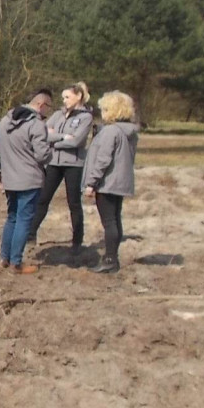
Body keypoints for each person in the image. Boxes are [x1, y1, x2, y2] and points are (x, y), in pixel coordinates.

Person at [0, 89, 54, 274]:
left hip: (10, 179)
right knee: (24, 219)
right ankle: (16, 263)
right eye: (49, 108)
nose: (48, 112)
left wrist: (0, 175)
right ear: (41, 105)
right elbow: (43, 155)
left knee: (12, 217)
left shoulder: (4, 122)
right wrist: (52, 148)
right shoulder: (35, 124)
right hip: (29, 179)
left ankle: (5, 258)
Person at [28, 82, 93, 253]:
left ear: (79, 96)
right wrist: (63, 136)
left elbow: (77, 141)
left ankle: (77, 240)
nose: (64, 101)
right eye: (63, 97)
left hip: (73, 164)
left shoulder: (86, 117)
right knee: (43, 198)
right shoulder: (58, 114)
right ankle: (30, 233)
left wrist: (54, 140)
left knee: (74, 202)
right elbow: (43, 133)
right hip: (53, 162)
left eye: (67, 97)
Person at [83, 91, 139, 274]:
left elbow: (103, 159)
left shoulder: (111, 131)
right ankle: (112, 258)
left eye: (104, 108)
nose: (102, 112)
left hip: (108, 182)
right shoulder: (129, 131)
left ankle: (109, 259)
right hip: (121, 181)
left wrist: (91, 182)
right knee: (115, 219)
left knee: (109, 222)